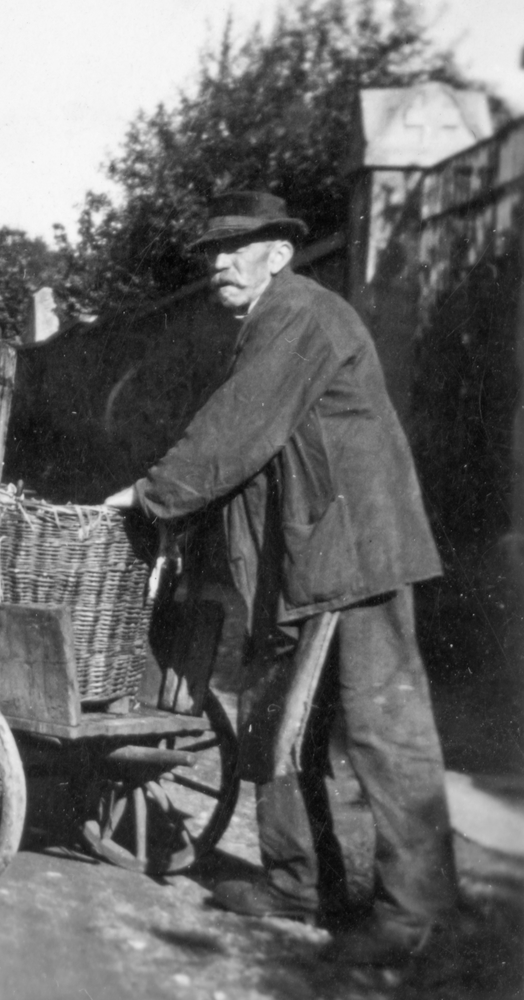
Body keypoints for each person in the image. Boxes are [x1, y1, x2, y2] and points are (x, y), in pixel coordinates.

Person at [103, 191, 456, 967]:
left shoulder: (301, 313)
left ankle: (418, 917)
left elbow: (239, 427)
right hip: (306, 555)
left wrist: (152, 493)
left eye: (240, 246)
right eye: (212, 251)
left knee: (381, 729)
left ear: (281, 253)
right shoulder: (271, 320)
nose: (220, 263)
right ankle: (300, 884)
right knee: (274, 716)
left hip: (354, 552)